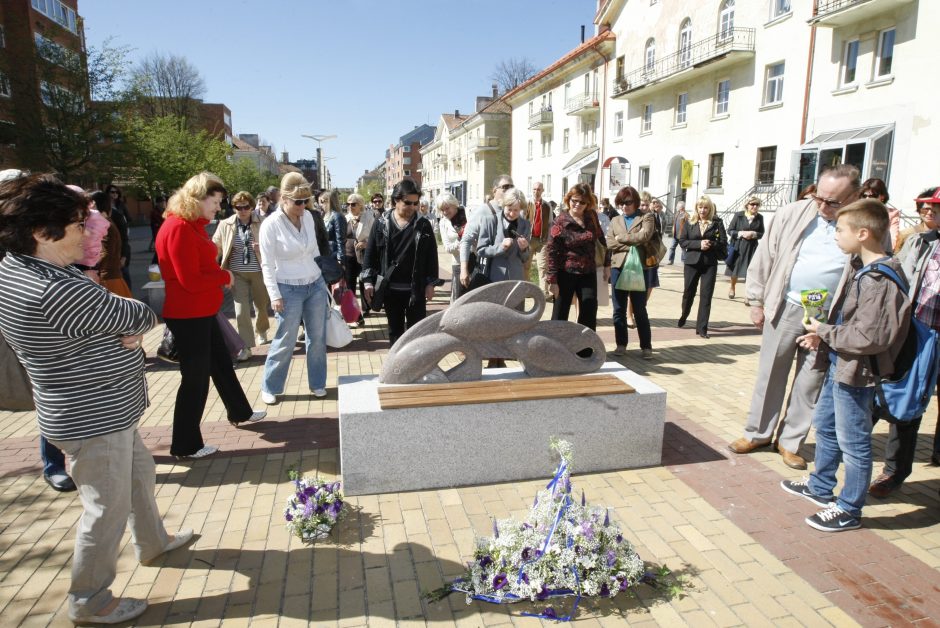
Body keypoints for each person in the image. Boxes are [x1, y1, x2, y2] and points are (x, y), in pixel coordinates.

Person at [0, 174, 193, 625]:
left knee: (139, 474)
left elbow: (114, 323)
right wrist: (126, 330)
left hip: (96, 407)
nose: (89, 233)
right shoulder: (58, 289)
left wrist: (119, 334)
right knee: (106, 508)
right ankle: (89, 599)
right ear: (40, 232)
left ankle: (153, 541)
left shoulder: (17, 268)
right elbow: (141, 311)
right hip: (94, 415)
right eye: (76, 225)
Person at [784, 199, 909, 531]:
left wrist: (823, 331)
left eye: (840, 230)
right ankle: (821, 487)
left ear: (863, 233)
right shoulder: (860, 267)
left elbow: (869, 336)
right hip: (840, 363)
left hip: (859, 372)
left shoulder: (879, 279)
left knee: (854, 442)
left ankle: (850, 508)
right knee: (825, 426)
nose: (835, 235)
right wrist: (824, 337)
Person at [729, 165, 863, 469]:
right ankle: (758, 433)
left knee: (810, 380)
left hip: (826, 316)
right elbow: (765, 255)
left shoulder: (860, 222)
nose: (823, 205)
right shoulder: (793, 213)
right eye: (819, 196)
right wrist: (755, 299)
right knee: (771, 373)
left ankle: (790, 442)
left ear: (853, 196)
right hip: (787, 305)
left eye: (833, 201)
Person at [156, 172, 265, 458]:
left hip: (201, 311)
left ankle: (239, 411)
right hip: (189, 314)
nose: (219, 208)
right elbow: (189, 279)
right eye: (215, 202)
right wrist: (224, 275)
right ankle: (185, 444)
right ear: (197, 198)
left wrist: (218, 276)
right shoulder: (178, 227)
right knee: (195, 379)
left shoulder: (188, 225)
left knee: (221, 364)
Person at [869, 188, 940, 498]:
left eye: (935, 208)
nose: (928, 212)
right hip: (911, 333)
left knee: (915, 401)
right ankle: (894, 471)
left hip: (934, 336)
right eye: (925, 207)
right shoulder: (914, 240)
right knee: (902, 398)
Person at [258, 173, 330, 403]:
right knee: (285, 339)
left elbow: (315, 250)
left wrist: (325, 276)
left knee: (317, 338)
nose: (303, 206)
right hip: (287, 288)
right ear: (284, 199)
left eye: (306, 201)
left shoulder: (308, 216)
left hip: (315, 284)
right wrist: (274, 295)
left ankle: (317, 383)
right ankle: (270, 386)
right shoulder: (270, 224)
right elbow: (267, 264)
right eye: (298, 202)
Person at [362, 179, 439, 346]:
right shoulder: (382, 223)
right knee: (395, 333)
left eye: (415, 203)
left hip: (415, 290)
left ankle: (416, 370)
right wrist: (368, 282)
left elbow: (432, 256)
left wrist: (431, 283)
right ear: (396, 200)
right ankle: (397, 370)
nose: (412, 207)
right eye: (407, 203)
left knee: (417, 335)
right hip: (391, 290)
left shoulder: (423, 224)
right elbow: (371, 253)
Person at [544, 182, 610, 331]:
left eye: (582, 202)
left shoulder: (591, 216)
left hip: (588, 272)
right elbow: (551, 252)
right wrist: (552, 281)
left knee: (589, 309)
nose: (578, 204)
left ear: (588, 203)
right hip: (565, 272)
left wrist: (607, 264)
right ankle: (556, 348)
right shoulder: (559, 222)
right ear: (568, 200)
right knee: (560, 313)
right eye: (575, 200)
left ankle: (585, 350)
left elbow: (601, 240)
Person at [212, 190, 270, 356]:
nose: (243, 210)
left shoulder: (263, 222)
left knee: (261, 306)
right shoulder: (226, 224)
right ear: (234, 207)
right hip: (237, 273)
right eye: (238, 207)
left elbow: (275, 245)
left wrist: (262, 248)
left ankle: (262, 330)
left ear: (251, 207)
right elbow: (215, 247)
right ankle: (245, 346)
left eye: (246, 207)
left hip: (259, 271)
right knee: (240, 310)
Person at [607, 186, 654, 359]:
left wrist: (623, 239)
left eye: (628, 203)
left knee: (639, 309)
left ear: (635, 202)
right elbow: (610, 243)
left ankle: (646, 346)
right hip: (618, 267)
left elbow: (645, 236)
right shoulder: (615, 220)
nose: (624, 207)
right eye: (621, 203)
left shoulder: (646, 217)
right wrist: (632, 242)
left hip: (638, 269)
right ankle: (621, 344)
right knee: (618, 309)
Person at [678, 195, 727, 339]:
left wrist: (710, 243)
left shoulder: (717, 223)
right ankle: (684, 314)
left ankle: (702, 328)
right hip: (692, 262)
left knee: (706, 296)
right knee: (689, 292)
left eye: (706, 207)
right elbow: (682, 241)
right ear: (696, 208)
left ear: (710, 208)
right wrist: (699, 244)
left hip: (709, 263)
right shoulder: (689, 222)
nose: (703, 210)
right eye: (700, 207)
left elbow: (723, 242)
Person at [460, 174, 516, 289]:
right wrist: (463, 269)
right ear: (494, 190)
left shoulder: (514, 212)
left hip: (509, 273)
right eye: (505, 187)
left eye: (511, 187)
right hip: (488, 272)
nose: (509, 190)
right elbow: (466, 240)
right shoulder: (483, 211)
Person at [90, 190, 132, 298]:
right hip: (111, 276)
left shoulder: (103, 224)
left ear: (93, 205)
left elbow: (106, 252)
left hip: (108, 279)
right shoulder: (106, 222)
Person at [725, 196, 765, 303]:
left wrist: (754, 234)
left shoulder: (760, 217)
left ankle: (748, 294)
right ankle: (732, 288)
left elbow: (762, 233)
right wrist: (741, 233)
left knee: (750, 271)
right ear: (747, 205)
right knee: (736, 269)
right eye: (752, 204)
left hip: (752, 247)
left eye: (757, 205)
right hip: (738, 246)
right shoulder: (739, 215)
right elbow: (730, 230)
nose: (754, 206)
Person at [343, 193, 373, 326]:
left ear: (360, 205)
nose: (350, 206)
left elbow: (374, 236)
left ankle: (366, 308)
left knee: (363, 283)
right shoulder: (345, 218)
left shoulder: (368, 217)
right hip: (349, 255)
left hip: (364, 255)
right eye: (348, 204)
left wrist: (366, 243)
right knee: (350, 287)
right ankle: (357, 315)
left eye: (353, 204)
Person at [436, 192, 466, 302]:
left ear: (454, 204)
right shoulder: (443, 223)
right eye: (442, 210)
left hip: (474, 261)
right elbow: (448, 247)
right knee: (457, 299)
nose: (445, 212)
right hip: (458, 263)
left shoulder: (467, 214)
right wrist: (461, 242)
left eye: (447, 208)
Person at [527, 181, 554, 301]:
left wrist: (548, 239)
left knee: (543, 267)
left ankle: (544, 292)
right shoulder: (527, 204)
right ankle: (525, 290)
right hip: (528, 240)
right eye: (534, 189)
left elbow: (550, 224)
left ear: (542, 191)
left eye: (538, 189)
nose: (536, 192)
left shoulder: (547, 206)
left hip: (542, 240)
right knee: (526, 266)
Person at [895, 187, 939, 252]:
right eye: (925, 209)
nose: (930, 213)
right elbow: (897, 259)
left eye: (933, 210)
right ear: (919, 210)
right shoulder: (906, 234)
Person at [105, 184, 132, 289]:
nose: (114, 194)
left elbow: (129, 218)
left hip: (121, 237)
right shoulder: (104, 206)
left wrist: (121, 219)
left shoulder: (120, 205)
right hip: (110, 242)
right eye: (112, 192)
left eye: (116, 192)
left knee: (124, 271)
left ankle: (128, 295)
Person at [861, 177, 899, 250]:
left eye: (872, 196)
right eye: (864, 196)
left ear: (882, 197)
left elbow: (893, 239)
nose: (867, 199)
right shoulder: (856, 212)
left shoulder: (891, 214)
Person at [319, 189, 347, 265]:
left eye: (322, 201)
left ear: (328, 201)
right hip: (325, 255)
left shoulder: (337, 216)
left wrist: (340, 259)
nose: (320, 204)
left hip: (333, 256)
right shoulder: (324, 215)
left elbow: (340, 240)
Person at [667, 200, 688, 265]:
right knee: (672, 247)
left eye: (677, 206)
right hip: (675, 234)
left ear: (681, 207)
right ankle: (671, 260)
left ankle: (684, 261)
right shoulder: (677, 214)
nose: (676, 207)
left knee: (683, 249)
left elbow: (688, 225)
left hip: (682, 235)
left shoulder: (686, 215)